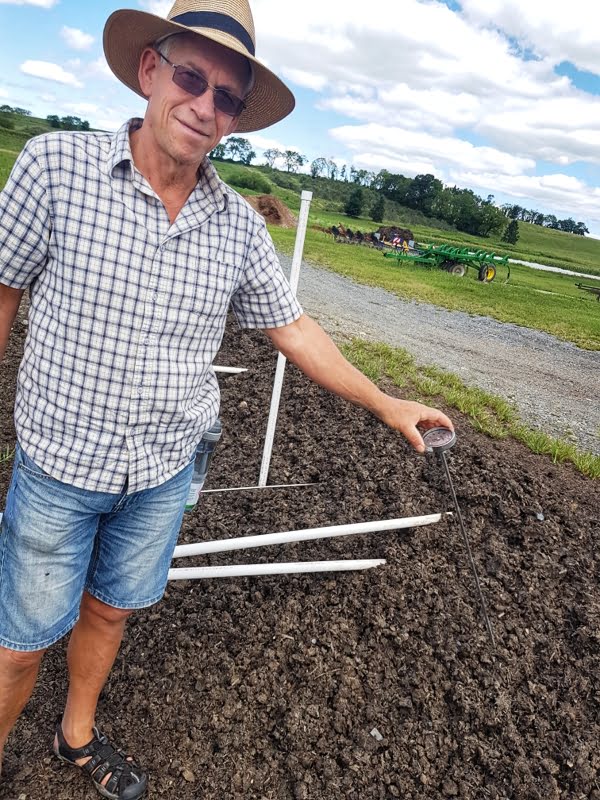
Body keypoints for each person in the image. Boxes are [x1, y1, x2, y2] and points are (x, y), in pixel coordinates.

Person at [0, 0, 453, 797]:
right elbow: (2, 294)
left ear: (237, 117)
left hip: (164, 470)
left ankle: (76, 739)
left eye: (227, 97)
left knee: (110, 613)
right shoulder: (54, 168)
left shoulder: (237, 226)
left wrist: (386, 403)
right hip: (60, 466)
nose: (205, 106)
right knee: (18, 643)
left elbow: (294, 328)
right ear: (150, 70)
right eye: (191, 78)